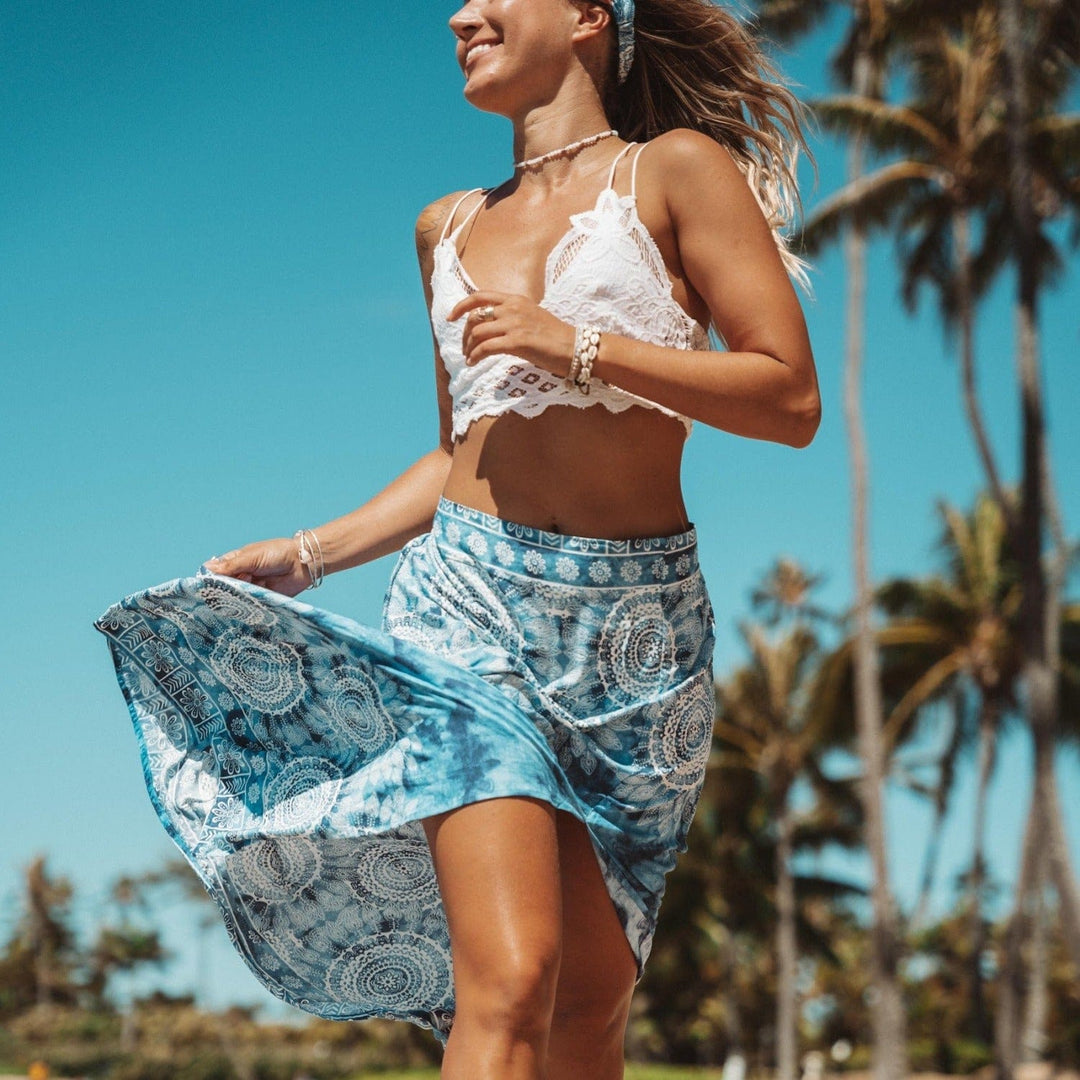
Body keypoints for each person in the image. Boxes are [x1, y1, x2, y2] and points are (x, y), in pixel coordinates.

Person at [94, 1, 819, 1078]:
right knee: (514, 977)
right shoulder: (448, 225)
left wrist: (581, 346)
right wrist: (317, 550)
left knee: (589, 999)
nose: (459, 12)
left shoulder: (673, 171)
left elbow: (786, 395)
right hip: (468, 609)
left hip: (637, 635)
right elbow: (461, 451)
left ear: (584, 14)